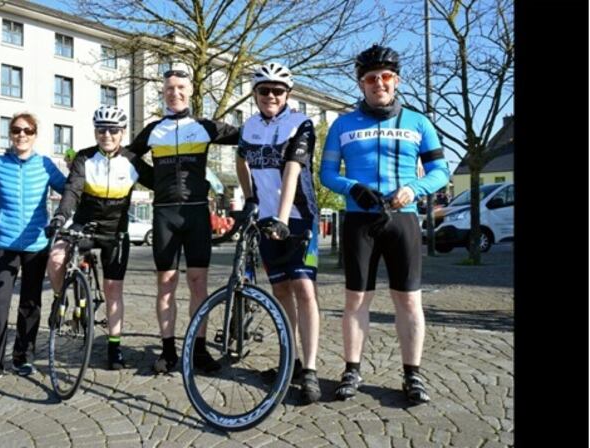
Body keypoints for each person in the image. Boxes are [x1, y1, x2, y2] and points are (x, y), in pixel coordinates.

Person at [320, 44, 449, 404]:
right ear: (361, 84)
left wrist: (414, 188)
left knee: (408, 301)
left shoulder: (418, 122)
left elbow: (441, 171)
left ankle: (412, 375)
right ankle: (351, 369)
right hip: (359, 220)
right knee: (356, 299)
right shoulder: (343, 124)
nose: (380, 83)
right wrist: (352, 188)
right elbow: (327, 173)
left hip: (402, 219)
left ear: (397, 81)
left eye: (386, 77)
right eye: (371, 78)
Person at [128, 69, 240, 373]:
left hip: (196, 213)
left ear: (189, 91)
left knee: (197, 282)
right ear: (163, 92)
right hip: (164, 214)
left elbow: (247, 136)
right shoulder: (153, 130)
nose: (174, 93)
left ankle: (199, 349)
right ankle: (168, 351)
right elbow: (126, 155)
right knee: (166, 283)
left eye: (180, 87)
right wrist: (155, 181)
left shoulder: (203, 127)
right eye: (168, 88)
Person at [235, 62, 322, 404]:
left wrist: (283, 219)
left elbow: (292, 169)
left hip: (299, 219)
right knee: (281, 290)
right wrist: (250, 198)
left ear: (288, 94)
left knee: (304, 289)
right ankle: (292, 360)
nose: (271, 96)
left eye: (278, 91)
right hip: (266, 220)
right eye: (264, 90)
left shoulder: (300, 123)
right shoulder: (249, 126)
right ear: (255, 94)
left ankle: (311, 370)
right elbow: (241, 160)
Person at [46, 106, 153, 370]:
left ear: (122, 132)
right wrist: (61, 217)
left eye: (113, 130)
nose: (107, 134)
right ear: (95, 131)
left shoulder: (132, 160)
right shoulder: (84, 158)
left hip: (115, 232)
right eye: (102, 129)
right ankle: (59, 297)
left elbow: (161, 183)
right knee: (57, 255)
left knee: (113, 289)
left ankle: (114, 347)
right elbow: (72, 190)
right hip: (85, 224)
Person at [0, 113, 67, 388]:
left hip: (36, 246)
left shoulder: (45, 165)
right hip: (5, 245)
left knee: (30, 303)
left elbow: (68, 189)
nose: (22, 135)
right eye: (16, 130)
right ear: (10, 134)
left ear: (35, 134)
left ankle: (22, 357)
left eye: (27, 130)